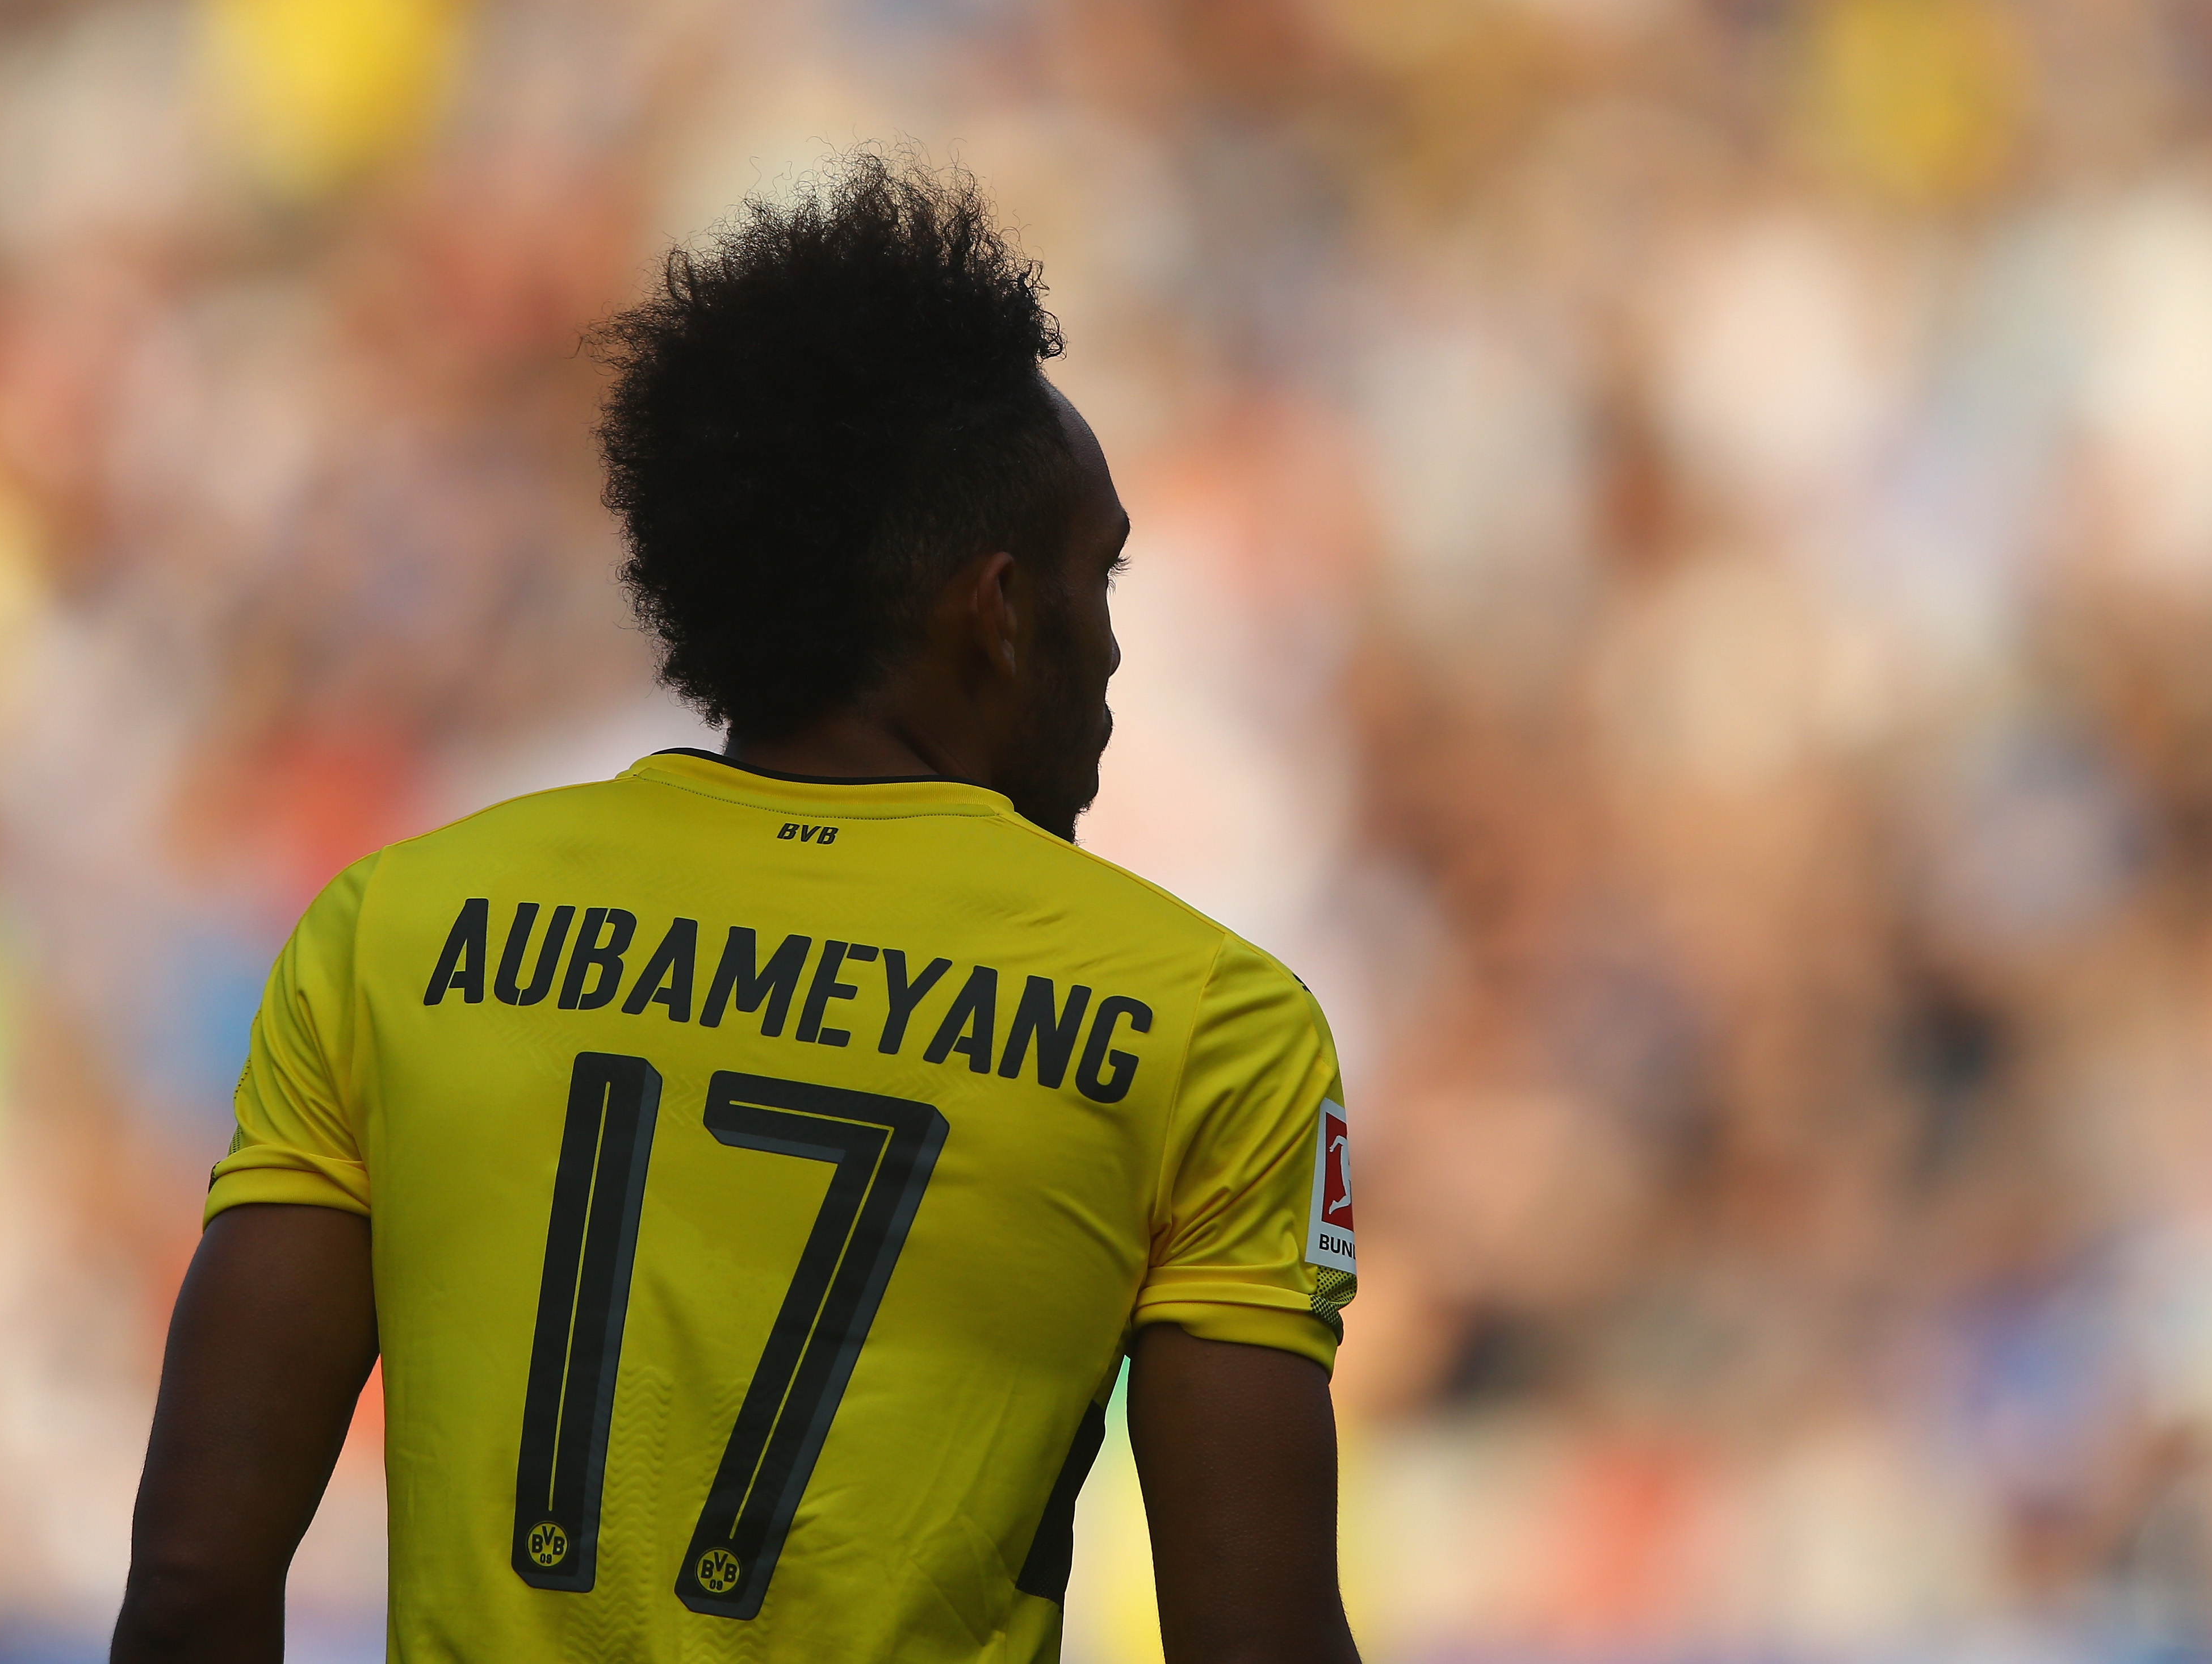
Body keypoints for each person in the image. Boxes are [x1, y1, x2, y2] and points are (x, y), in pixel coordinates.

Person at [111, 154, 1361, 1664]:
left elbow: (191, 1586)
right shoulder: (1207, 1022)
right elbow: (1257, 1639)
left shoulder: (395, 928)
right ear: (999, 607)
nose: (1109, 650)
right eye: (1097, 579)